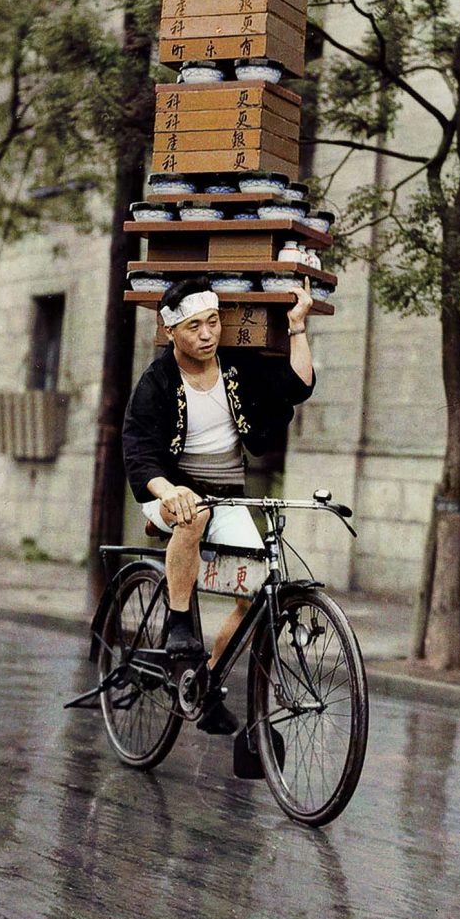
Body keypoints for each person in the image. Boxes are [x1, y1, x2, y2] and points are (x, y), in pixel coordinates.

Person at [122, 275, 314, 733]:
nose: (207, 334)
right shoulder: (158, 381)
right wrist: (168, 491)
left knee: (259, 587)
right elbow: (138, 448)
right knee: (194, 512)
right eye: (194, 327)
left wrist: (297, 328)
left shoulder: (235, 368)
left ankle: (203, 683)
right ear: (170, 332)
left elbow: (296, 386)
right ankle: (180, 625)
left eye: (213, 322)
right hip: (170, 493)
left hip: (225, 497)